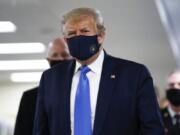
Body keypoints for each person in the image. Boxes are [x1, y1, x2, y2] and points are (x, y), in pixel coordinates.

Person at [33, 7, 164, 135]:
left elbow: (152, 129)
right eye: (72, 34)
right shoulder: (50, 78)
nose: (78, 38)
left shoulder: (134, 75)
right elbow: (41, 129)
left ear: (100, 36)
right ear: (66, 41)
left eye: (84, 31)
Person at [14, 37, 72, 135]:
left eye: (64, 54)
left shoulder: (81, 93)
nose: (59, 58)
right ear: (48, 60)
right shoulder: (30, 97)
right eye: (55, 55)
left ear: (72, 58)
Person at [161, 70, 180, 135]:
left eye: (179, 84)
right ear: (166, 89)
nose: (175, 87)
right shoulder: (157, 117)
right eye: (171, 85)